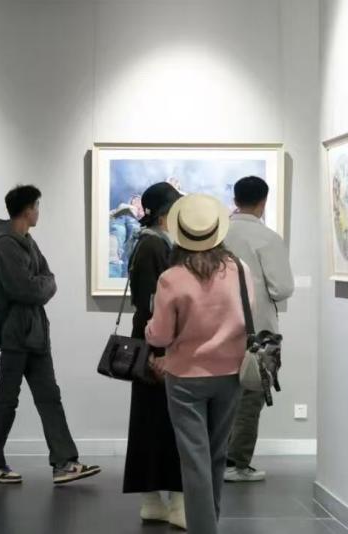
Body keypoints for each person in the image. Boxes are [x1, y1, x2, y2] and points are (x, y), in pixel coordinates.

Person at [146, 194, 255, 534]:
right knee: (217, 455)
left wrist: (149, 328)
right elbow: (246, 317)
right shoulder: (239, 270)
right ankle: (210, 524)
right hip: (230, 373)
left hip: (185, 378)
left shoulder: (172, 278)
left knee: (194, 460)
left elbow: (160, 335)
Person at [0, 185, 101, 485]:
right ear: (27, 210)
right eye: (37, 206)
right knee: (7, 400)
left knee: (50, 397)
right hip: (15, 334)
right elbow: (26, 289)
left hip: (36, 334)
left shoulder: (27, 241)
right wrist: (42, 284)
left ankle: (64, 462)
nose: (38, 212)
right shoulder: (6, 245)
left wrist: (42, 284)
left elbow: (48, 278)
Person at [223, 176, 295, 483]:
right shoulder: (268, 238)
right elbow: (282, 288)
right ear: (263, 202)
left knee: (220, 394)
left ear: (235, 200)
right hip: (258, 328)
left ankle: (213, 458)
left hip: (216, 326)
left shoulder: (217, 233)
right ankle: (236, 462)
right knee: (251, 394)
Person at [123, 182, 185, 528]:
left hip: (153, 340)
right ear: (165, 213)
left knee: (153, 421)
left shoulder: (148, 242)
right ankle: (171, 503)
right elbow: (151, 303)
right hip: (156, 344)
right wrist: (156, 352)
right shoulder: (153, 245)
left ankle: (156, 501)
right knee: (164, 422)